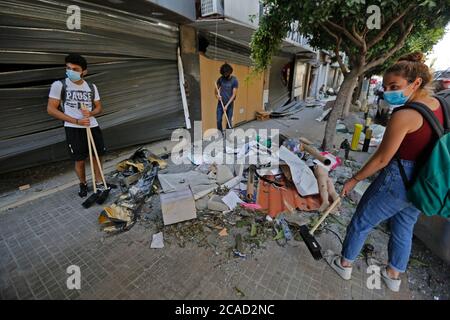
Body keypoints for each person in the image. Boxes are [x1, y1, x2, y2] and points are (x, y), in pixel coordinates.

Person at [326, 52, 445, 292]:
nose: (389, 91)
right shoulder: (439, 105)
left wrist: (354, 179)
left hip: (399, 178)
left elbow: (382, 158)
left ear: (416, 83)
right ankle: (392, 275)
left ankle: (344, 263)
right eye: (386, 86)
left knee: (362, 220)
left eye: (395, 86)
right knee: (404, 225)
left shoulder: (404, 115)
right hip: (425, 179)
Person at [47, 54, 106, 198]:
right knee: (79, 160)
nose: (70, 71)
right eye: (68, 68)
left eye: (75, 69)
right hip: (74, 128)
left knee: (96, 156)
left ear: (84, 71)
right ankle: (83, 184)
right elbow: (51, 109)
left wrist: (91, 112)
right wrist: (77, 121)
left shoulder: (91, 87)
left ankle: (99, 183)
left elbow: (99, 108)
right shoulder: (59, 85)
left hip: (92, 126)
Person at [215, 63, 238, 133]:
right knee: (218, 120)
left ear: (230, 72)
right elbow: (215, 90)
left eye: (226, 74)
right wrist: (217, 96)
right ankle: (220, 133)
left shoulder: (234, 80)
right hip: (220, 104)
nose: (225, 75)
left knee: (229, 121)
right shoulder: (220, 79)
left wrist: (227, 105)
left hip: (230, 105)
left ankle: (228, 135)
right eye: (223, 74)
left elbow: (234, 95)